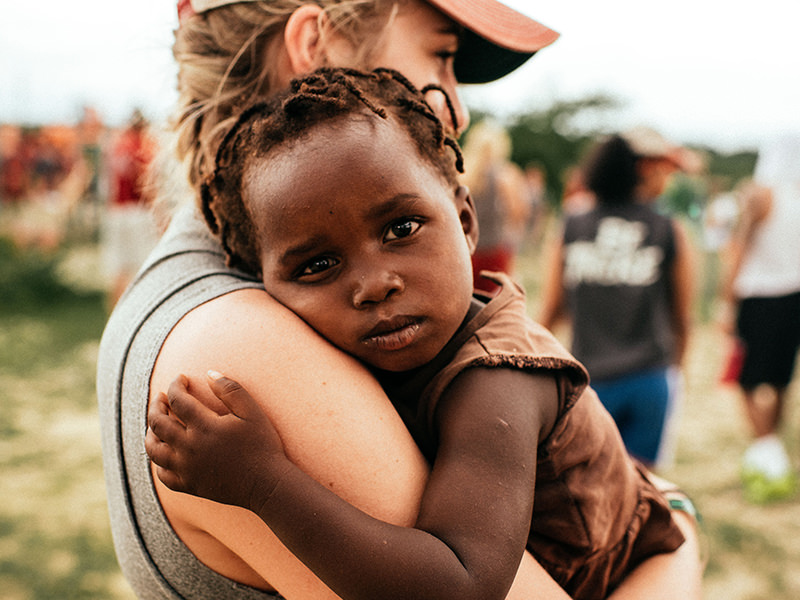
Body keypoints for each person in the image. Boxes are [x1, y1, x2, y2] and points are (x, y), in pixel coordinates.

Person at [96, 1, 700, 598]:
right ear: (316, 47)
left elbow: (459, 581)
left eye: (402, 229)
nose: (457, 109)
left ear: (465, 221)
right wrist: (681, 532)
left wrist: (264, 484)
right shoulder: (236, 338)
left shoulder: (493, 372)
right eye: (441, 57)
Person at [539, 129, 695, 469]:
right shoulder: (667, 228)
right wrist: (675, 371)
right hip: (649, 378)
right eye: (661, 171)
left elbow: (551, 309)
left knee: (587, 491)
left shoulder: (572, 225)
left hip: (587, 381)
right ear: (641, 171)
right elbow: (682, 316)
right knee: (640, 492)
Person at [720, 133, 800, 503]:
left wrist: (726, 300)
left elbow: (739, 246)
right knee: (781, 376)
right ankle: (771, 447)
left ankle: (765, 446)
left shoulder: (762, 194)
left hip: (759, 295)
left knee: (748, 378)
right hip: (792, 295)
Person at [460, 119, 531, 295]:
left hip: (466, 250)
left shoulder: (463, 173)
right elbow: (519, 213)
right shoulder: (506, 174)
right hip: (495, 250)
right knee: (494, 304)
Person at [101, 109, 160, 308]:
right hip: (138, 212)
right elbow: (147, 184)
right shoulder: (144, 147)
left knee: (118, 268)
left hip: (116, 211)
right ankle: (137, 313)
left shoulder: (116, 146)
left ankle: (113, 318)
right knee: (142, 268)